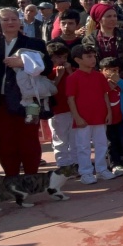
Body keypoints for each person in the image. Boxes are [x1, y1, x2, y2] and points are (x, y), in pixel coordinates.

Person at [0, 7, 49, 177]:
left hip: (29, 99)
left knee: (29, 139)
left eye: (14, 19)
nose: (10, 22)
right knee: (6, 141)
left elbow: (47, 69)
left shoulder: (34, 43)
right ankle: (12, 180)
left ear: (20, 21)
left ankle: (31, 179)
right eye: (5, 19)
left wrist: (24, 63)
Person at [66, 44, 117, 184]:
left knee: (102, 144)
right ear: (78, 60)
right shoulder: (73, 78)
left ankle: (101, 169)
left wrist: (109, 112)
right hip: (83, 118)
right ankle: (86, 172)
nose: (93, 59)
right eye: (88, 56)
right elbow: (70, 99)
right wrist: (77, 117)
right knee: (83, 146)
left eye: (94, 56)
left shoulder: (99, 76)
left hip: (100, 116)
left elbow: (105, 94)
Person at [81, 3, 123, 87]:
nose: (113, 19)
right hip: (99, 83)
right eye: (108, 16)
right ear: (99, 19)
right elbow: (88, 63)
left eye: (114, 16)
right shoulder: (89, 40)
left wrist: (118, 78)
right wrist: (103, 78)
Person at [45, 42, 78, 172]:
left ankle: (76, 163)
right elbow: (50, 89)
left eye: (64, 57)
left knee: (75, 138)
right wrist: (58, 76)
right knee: (60, 138)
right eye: (58, 57)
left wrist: (69, 71)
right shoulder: (48, 72)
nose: (62, 61)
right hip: (57, 110)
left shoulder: (72, 70)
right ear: (51, 58)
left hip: (73, 109)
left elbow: (77, 85)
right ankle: (63, 164)